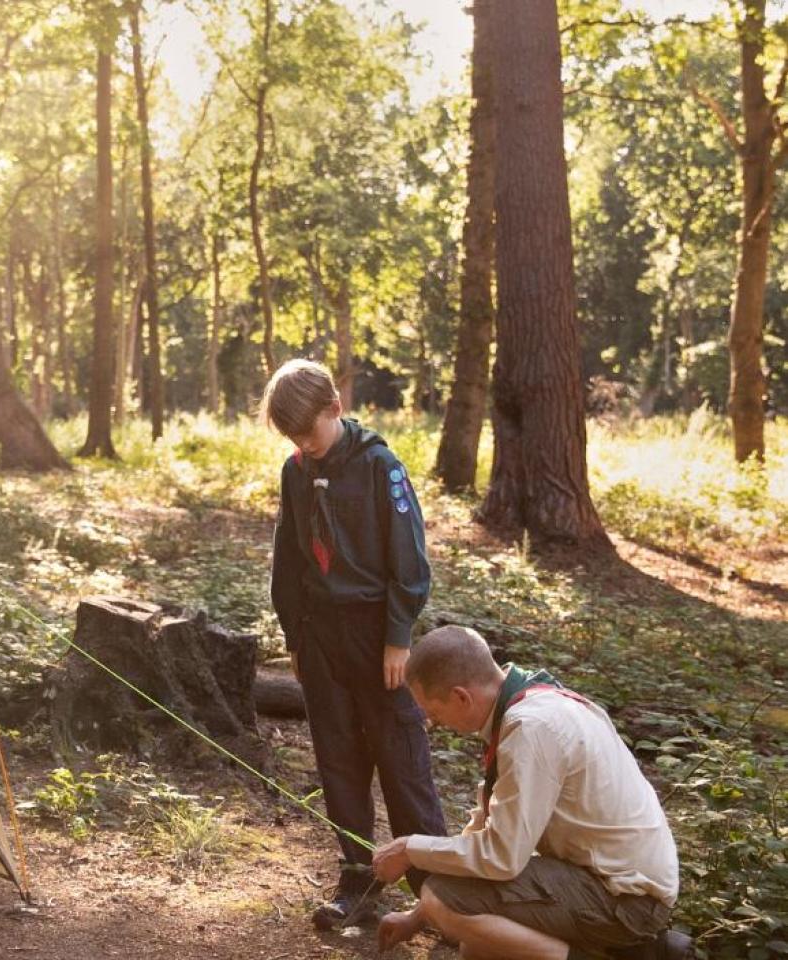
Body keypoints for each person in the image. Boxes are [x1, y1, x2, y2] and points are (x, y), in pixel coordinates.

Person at [372, 626, 687, 960]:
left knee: (442, 899)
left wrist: (410, 850)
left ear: (461, 696)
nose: (434, 723)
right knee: (477, 945)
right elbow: (489, 823)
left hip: (627, 900)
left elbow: (502, 856)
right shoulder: (526, 701)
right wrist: (416, 916)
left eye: (434, 713)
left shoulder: (532, 728)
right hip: (604, 881)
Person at [264, 359, 447, 928]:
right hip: (320, 637)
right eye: (292, 436)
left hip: (375, 635)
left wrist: (398, 638)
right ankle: (358, 883)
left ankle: (437, 895)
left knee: (401, 761)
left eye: (308, 431)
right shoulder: (296, 471)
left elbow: (411, 563)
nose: (302, 443)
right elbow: (288, 557)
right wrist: (295, 633)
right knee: (338, 760)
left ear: (334, 409)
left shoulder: (379, 467)